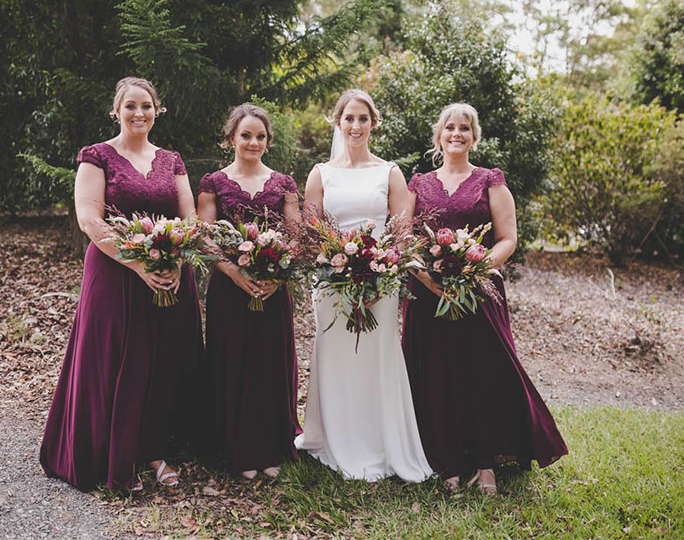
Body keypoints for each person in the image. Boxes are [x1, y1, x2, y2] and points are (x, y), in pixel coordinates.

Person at [40, 77, 202, 491]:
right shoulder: (97, 157)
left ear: (157, 110)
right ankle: (113, 453)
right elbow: (89, 219)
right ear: (117, 111)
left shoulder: (172, 160)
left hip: (168, 274)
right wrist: (137, 263)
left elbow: (190, 218)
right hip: (114, 273)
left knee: (161, 362)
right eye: (130, 106)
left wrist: (175, 262)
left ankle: (153, 450)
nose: (139, 113)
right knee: (113, 363)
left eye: (146, 106)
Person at [401, 103, 567, 494]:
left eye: (464, 128)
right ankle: (447, 461)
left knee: (483, 374)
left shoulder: (490, 180)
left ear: (474, 136)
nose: (456, 134)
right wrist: (427, 277)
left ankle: (485, 462)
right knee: (436, 374)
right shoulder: (418, 183)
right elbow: (405, 238)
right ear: (439, 135)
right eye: (450, 128)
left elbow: (508, 238)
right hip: (427, 295)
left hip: (479, 293)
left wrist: (472, 270)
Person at [294, 89, 433, 482]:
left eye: (363, 119)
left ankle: (382, 443)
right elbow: (311, 228)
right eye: (349, 118)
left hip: (383, 280)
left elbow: (403, 230)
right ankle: (334, 439)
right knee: (336, 356)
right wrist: (336, 266)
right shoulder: (321, 172)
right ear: (337, 122)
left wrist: (382, 270)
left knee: (378, 355)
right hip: (332, 279)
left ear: (373, 123)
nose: (355, 126)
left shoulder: (389, 171)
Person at [197, 104, 302, 479]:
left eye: (260, 136)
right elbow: (205, 237)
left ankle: (269, 445)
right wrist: (232, 272)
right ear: (231, 139)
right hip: (229, 290)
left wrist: (277, 274)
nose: (253, 142)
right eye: (246, 135)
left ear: (268, 141)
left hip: (273, 289)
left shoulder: (284, 183)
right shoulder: (213, 182)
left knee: (268, 363)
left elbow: (296, 236)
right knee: (233, 362)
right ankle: (235, 446)